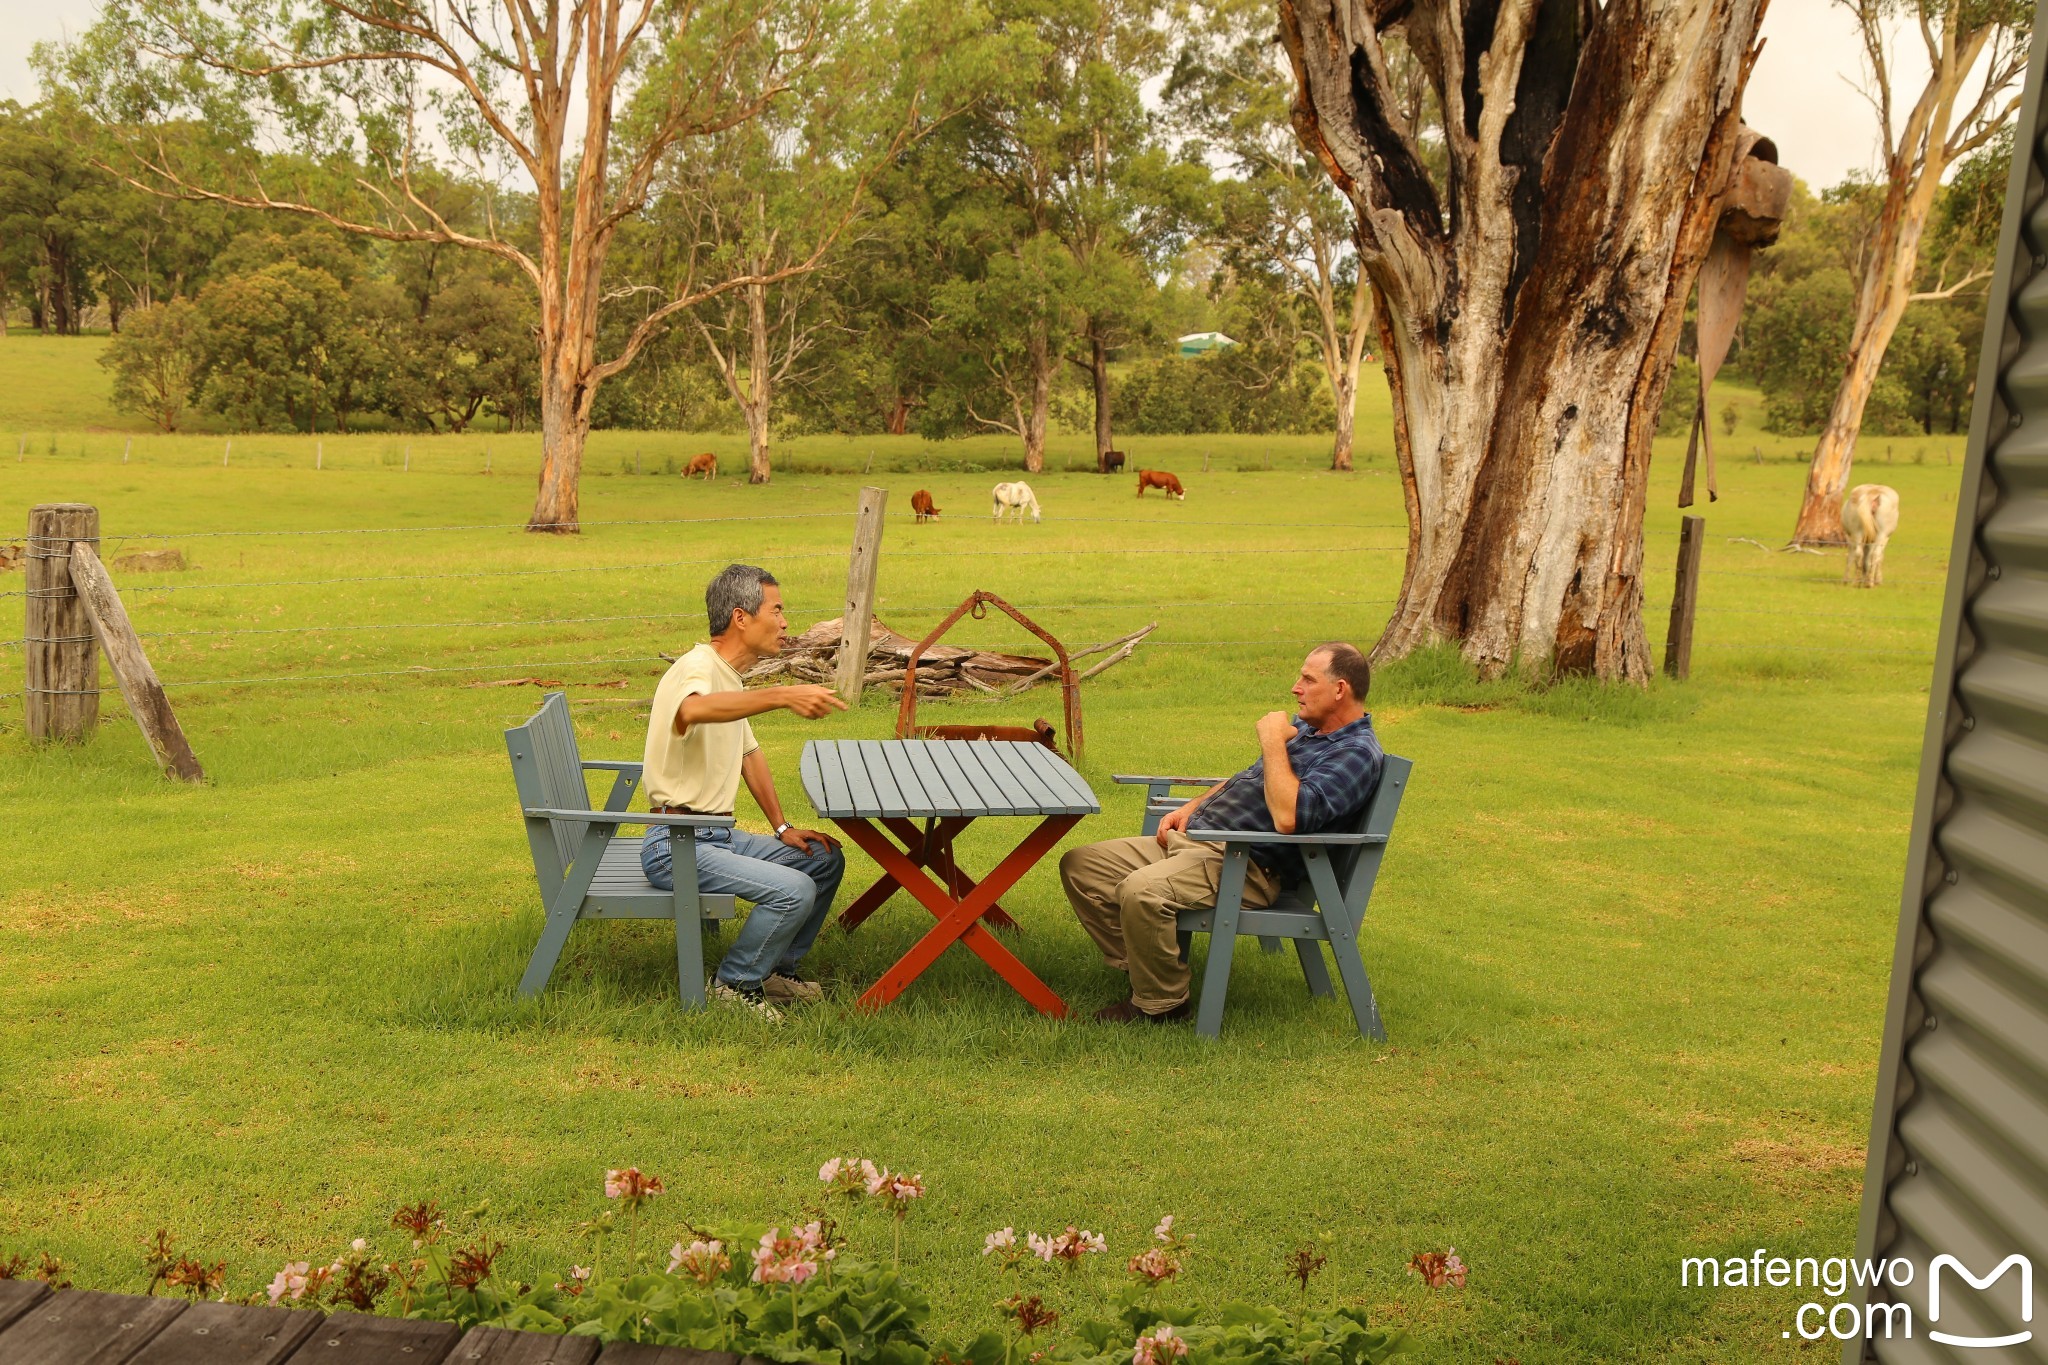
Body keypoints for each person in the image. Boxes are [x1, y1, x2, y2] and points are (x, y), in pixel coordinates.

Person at [1058, 642, 1385, 1024]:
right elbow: (1247, 779)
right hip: (1198, 842)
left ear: (1340, 689)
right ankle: (1146, 968)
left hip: (1243, 864)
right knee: (1082, 865)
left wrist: (1271, 741)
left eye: (1308, 679)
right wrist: (1192, 806)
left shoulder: (1356, 753)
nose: (1296, 687)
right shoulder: (1309, 734)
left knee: (1140, 889)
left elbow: (1289, 817)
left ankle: (1162, 1005)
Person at [640, 563, 848, 1019]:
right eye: (776, 610)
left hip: (717, 837)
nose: (785, 621)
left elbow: (748, 754)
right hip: (675, 844)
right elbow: (692, 712)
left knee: (822, 860)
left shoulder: (728, 677)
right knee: (793, 888)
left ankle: (775, 970)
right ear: (741, 617)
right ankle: (734, 986)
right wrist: (779, 695)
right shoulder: (695, 668)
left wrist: (782, 826)